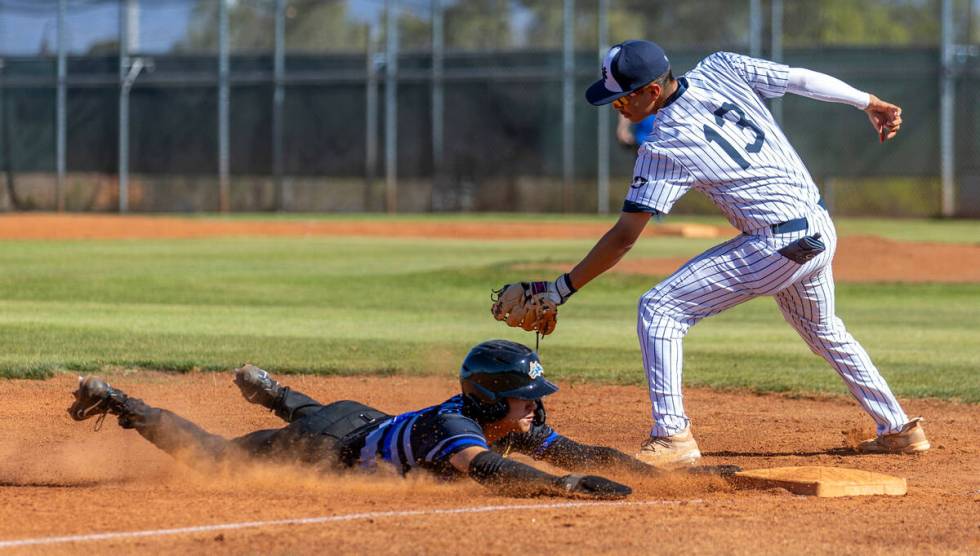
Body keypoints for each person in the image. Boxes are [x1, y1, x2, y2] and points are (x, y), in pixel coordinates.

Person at [491, 40, 929, 468]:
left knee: (660, 309)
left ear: (653, 91)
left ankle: (672, 435)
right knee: (824, 330)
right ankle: (898, 428)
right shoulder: (723, 67)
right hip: (817, 228)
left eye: (623, 97)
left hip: (780, 243)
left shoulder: (664, 145)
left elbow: (625, 236)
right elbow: (799, 80)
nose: (617, 106)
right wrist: (866, 100)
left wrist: (561, 289)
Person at [66, 340, 731, 498]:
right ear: (494, 399)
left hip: (362, 422)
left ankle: (271, 389)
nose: (538, 407)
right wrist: (566, 490)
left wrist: (654, 477)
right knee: (213, 456)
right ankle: (122, 403)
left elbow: (582, 452)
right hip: (321, 447)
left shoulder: (495, 418)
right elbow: (491, 470)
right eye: (527, 398)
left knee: (336, 415)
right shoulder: (462, 432)